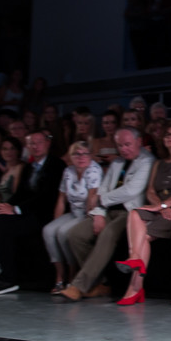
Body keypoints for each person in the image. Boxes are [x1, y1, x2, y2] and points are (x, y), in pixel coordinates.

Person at [58, 127, 154, 301]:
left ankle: (78, 286)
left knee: (108, 234)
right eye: (120, 145)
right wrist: (99, 214)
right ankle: (100, 283)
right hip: (107, 209)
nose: (123, 149)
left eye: (127, 144)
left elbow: (131, 190)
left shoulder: (147, 161)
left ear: (139, 142)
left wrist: (102, 200)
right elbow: (103, 188)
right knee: (75, 235)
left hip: (130, 213)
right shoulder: (117, 162)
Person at [0, 131, 61, 295]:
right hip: (28, 212)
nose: (35, 146)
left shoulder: (56, 165)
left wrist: (15, 209)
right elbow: (21, 193)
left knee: (6, 222)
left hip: (45, 214)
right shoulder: (29, 167)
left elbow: (46, 196)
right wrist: (6, 206)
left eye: (39, 142)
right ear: (27, 146)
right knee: (1, 216)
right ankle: (0, 271)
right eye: (31, 143)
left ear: (47, 143)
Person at [115, 122, 171, 305]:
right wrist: (159, 206)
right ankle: (134, 258)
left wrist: (163, 206)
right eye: (167, 134)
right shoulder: (158, 162)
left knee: (144, 237)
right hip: (159, 206)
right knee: (135, 214)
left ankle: (135, 288)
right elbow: (151, 190)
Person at [42, 141, 103, 293]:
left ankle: (72, 275)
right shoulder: (68, 171)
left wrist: (87, 221)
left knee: (63, 232)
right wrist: (56, 220)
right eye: (77, 154)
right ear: (71, 157)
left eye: (85, 154)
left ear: (90, 156)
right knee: (49, 230)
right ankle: (59, 276)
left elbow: (92, 199)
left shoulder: (94, 170)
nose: (81, 157)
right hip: (74, 211)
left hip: (88, 213)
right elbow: (61, 199)